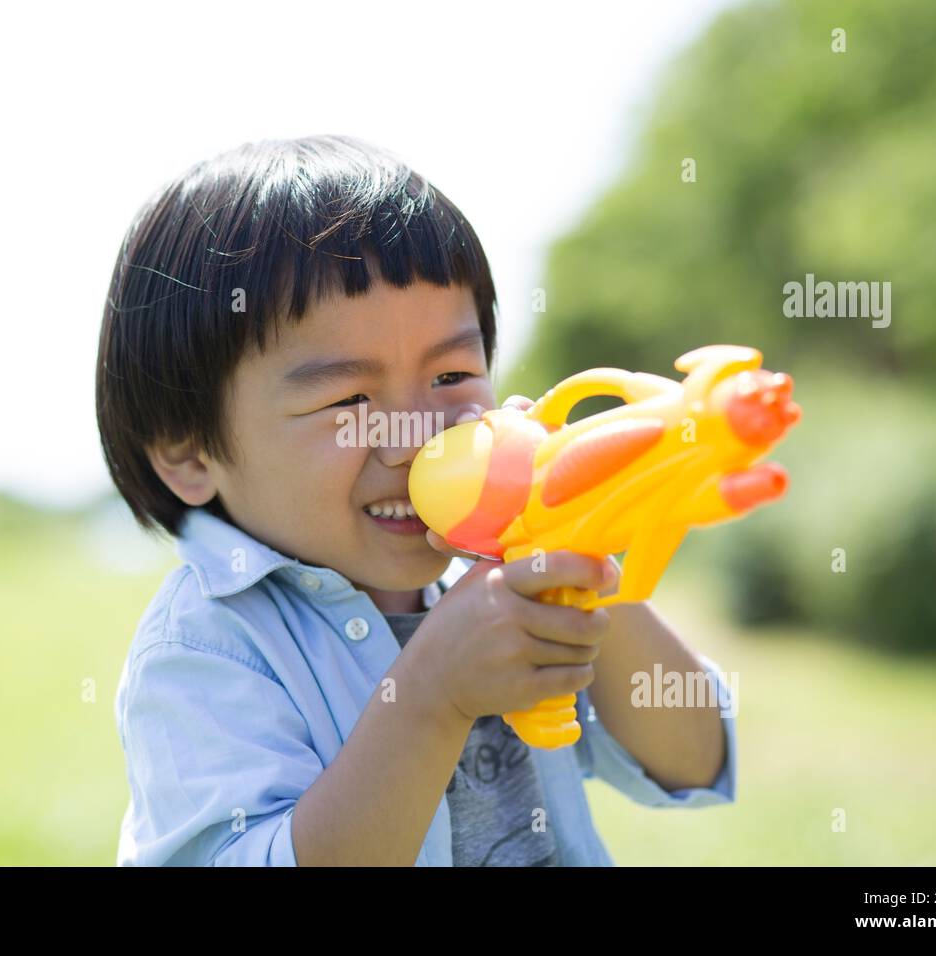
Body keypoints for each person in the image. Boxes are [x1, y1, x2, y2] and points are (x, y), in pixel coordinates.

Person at [96, 134, 736, 866]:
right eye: (351, 397)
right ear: (190, 452)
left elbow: (696, 756)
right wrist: (433, 695)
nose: (415, 439)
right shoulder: (210, 648)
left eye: (450, 377)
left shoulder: (491, 585)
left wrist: (578, 550)